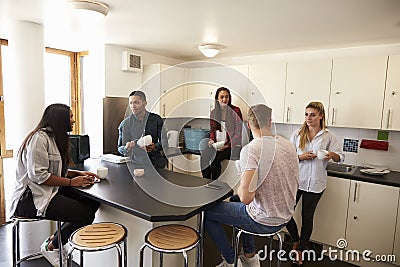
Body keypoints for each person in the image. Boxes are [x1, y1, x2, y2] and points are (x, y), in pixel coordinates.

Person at [205, 104, 299, 267]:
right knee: (234, 201)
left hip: (264, 220)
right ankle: (249, 256)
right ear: (270, 122)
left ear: (249, 124)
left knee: (206, 212)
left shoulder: (252, 149)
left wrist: (242, 172)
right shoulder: (288, 145)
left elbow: (246, 198)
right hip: (285, 216)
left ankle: (230, 260)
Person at [9, 104, 100, 267]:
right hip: (29, 200)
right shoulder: (39, 138)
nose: (73, 120)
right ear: (60, 119)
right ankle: (53, 246)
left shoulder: (55, 138)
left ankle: (53, 241)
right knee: (85, 214)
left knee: (93, 202)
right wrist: (71, 182)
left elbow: (56, 170)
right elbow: (38, 175)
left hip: (47, 191)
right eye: (70, 117)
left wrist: (77, 174)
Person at [286, 101, 344, 265]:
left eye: (312, 115)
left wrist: (332, 154)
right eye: (306, 114)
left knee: (307, 218)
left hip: (316, 183)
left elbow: (341, 158)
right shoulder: (297, 134)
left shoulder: (328, 136)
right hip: (297, 181)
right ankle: (295, 239)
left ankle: (301, 250)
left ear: (321, 116)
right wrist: (300, 157)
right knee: (285, 212)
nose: (308, 118)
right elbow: (288, 157)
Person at [201, 87, 243, 180]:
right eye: (222, 97)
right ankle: (206, 182)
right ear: (217, 99)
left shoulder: (236, 111)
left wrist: (226, 145)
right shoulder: (213, 113)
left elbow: (238, 133)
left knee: (215, 160)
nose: (224, 99)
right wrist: (211, 140)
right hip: (217, 145)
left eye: (227, 97)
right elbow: (212, 130)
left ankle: (214, 184)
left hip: (231, 146)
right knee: (204, 157)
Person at [118, 90, 167, 168]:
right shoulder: (125, 124)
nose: (133, 106)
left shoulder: (156, 119)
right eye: (131, 103)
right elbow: (120, 148)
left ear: (145, 103)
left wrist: (154, 147)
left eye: (136, 102)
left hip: (156, 163)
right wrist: (126, 148)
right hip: (135, 163)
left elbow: (164, 142)